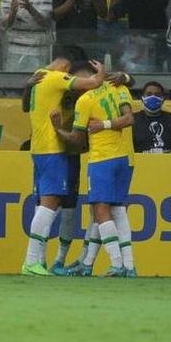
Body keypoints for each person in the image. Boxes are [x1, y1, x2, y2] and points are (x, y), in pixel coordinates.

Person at [19, 53, 106, 276]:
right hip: (54, 149)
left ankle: (45, 261)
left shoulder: (40, 78)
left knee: (54, 205)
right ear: (67, 67)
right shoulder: (57, 79)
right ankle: (32, 261)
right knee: (49, 203)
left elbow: (25, 107)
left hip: (47, 150)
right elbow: (96, 82)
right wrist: (102, 70)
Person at [51, 65, 136, 276]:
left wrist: (57, 129)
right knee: (116, 210)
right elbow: (129, 118)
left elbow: (76, 139)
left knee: (100, 211)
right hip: (126, 157)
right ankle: (127, 266)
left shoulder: (85, 100)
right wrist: (125, 76)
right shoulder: (119, 86)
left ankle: (117, 264)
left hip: (102, 159)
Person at [131, 81, 171, 154]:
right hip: (142, 164)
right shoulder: (133, 120)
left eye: (157, 94)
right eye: (149, 94)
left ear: (163, 99)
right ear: (142, 98)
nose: (153, 97)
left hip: (170, 164)